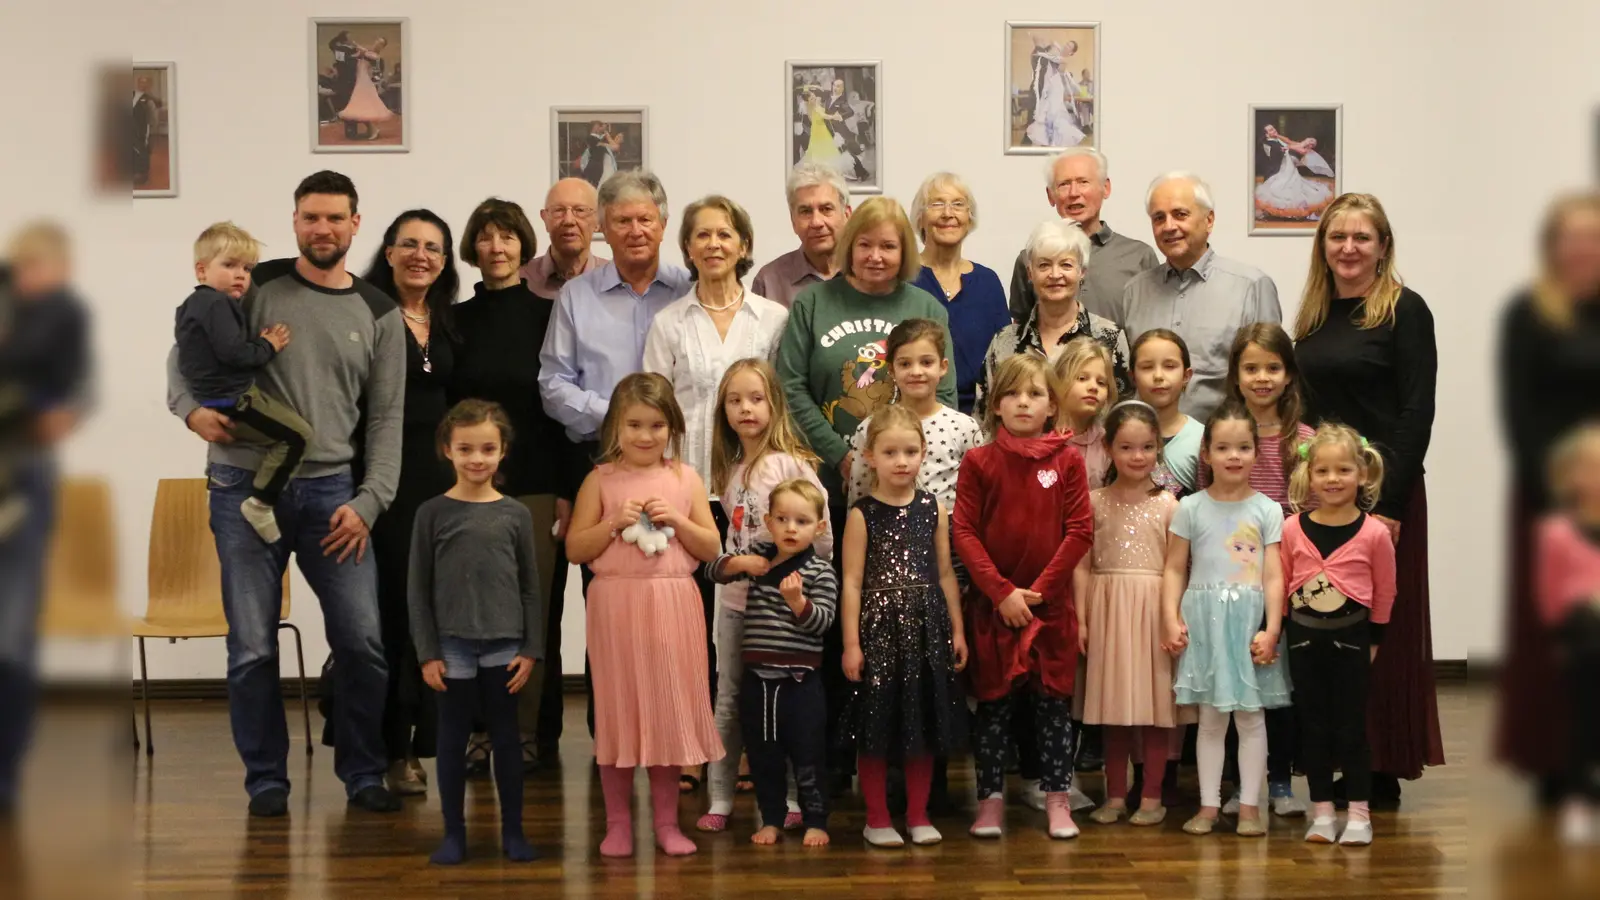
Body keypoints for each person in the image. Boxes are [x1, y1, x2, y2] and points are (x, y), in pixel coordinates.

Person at [166, 171, 405, 817]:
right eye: (309, 218)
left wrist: (370, 501)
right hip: (241, 486)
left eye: (334, 218)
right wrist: (190, 411)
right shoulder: (252, 282)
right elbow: (185, 351)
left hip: (334, 496)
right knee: (252, 646)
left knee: (362, 642)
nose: (321, 229)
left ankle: (362, 771)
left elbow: (386, 418)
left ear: (357, 224)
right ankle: (266, 780)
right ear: (294, 221)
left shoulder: (379, 312)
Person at [775, 196, 955, 787]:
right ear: (849, 244)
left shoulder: (924, 304)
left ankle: (914, 767)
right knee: (843, 615)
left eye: (889, 245)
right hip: (833, 484)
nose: (876, 255)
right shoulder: (813, 302)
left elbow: (945, 391)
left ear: (905, 250)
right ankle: (840, 762)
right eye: (866, 244)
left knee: (909, 625)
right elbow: (790, 384)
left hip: (915, 491)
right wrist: (842, 450)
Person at [1293, 192, 1440, 806]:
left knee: (1383, 631)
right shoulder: (1315, 316)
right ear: (1322, 246)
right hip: (1325, 498)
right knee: (1329, 631)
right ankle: (1334, 761)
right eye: (1337, 237)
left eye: (1361, 238)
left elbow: (1416, 413)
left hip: (1383, 499)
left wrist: (1391, 506)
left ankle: (1381, 765)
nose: (1348, 248)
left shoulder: (1405, 311)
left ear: (1383, 247)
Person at [644, 194, 786, 791]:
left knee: (751, 625)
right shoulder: (668, 323)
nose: (714, 245)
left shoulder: (774, 318)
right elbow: (652, 406)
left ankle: (743, 745)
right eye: (701, 236)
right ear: (688, 249)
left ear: (744, 245)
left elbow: (781, 403)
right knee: (687, 627)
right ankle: (689, 743)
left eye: (725, 234)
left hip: (754, 491)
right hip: (689, 491)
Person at [565, 374, 723, 857]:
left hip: (674, 604)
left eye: (656, 425)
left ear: (671, 427)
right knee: (618, 714)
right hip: (616, 606)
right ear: (616, 425)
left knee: (666, 714)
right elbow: (575, 548)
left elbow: (712, 547)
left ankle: (666, 823)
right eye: (634, 424)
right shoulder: (600, 479)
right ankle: (617, 824)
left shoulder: (685, 478)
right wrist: (612, 523)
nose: (645, 435)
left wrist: (678, 520)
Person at [954, 354, 1092, 840]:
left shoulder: (1068, 459)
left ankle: (1057, 797)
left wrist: (1037, 594)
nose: (1023, 402)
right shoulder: (979, 461)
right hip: (995, 611)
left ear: (1052, 405)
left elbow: (1079, 531)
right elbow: (965, 532)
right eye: (1011, 394)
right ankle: (990, 800)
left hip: (1049, 609)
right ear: (995, 405)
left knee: (1052, 708)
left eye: (1034, 394)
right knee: (993, 710)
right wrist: (1002, 593)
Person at [449, 198, 564, 773]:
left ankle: (525, 733)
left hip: (538, 486)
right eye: (487, 238)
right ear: (473, 248)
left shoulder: (549, 316)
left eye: (508, 237)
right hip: (470, 491)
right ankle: (481, 731)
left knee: (533, 612)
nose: (497, 248)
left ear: (525, 247)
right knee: (476, 615)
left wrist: (568, 487)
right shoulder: (454, 321)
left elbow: (558, 412)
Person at [696, 358, 831, 834]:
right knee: (731, 698)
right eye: (734, 400)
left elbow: (822, 535)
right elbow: (731, 547)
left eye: (755, 398)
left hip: (786, 614)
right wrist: (738, 566)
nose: (745, 409)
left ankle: (792, 798)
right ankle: (720, 795)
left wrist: (786, 575)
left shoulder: (791, 463)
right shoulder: (732, 468)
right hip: (736, 608)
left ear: (774, 403)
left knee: (789, 707)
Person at [1495, 191, 1600, 801]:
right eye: (1572, 238)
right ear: (1553, 248)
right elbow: (1520, 411)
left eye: (1593, 238)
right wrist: (1564, 489)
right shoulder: (1529, 315)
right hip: (1548, 498)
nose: (1582, 249)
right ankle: (1554, 764)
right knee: (1553, 636)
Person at [408, 400, 541, 865]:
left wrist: (531, 649)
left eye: (487, 448)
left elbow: (530, 587)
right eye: (466, 449)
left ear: (503, 451)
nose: (477, 459)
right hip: (451, 646)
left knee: (506, 738)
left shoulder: (517, 515)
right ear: (448, 450)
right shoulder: (431, 514)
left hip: (504, 645)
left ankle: (514, 832)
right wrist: (427, 652)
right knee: (451, 738)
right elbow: (417, 591)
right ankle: (453, 834)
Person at [1196, 324, 1314, 819]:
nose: (1261, 378)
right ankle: (1230, 786)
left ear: (1288, 376)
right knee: (1228, 689)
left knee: (1275, 684)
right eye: (1251, 368)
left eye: (1272, 367)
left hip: (1285, 575)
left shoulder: (1303, 439)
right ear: (1236, 377)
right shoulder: (1224, 433)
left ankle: (1281, 780)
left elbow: (1309, 509)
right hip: (1232, 581)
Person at [1160, 401, 1291, 837]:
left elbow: (1273, 574)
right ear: (1206, 454)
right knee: (1212, 717)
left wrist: (1272, 628)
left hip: (1249, 623)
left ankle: (1251, 806)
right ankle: (1209, 805)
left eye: (1243, 447)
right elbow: (1175, 568)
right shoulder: (1191, 508)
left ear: (1256, 452)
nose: (1233, 456)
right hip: (1205, 624)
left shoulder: (1268, 510)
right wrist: (1169, 618)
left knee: (1251, 717)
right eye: (1223, 447)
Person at [361, 209, 459, 792]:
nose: (421, 255)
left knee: (436, 616)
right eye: (410, 245)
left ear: (445, 262)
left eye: (433, 247)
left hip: (442, 487)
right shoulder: (365, 311)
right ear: (390, 252)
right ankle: (390, 749)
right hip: (385, 483)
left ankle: (429, 742)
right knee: (392, 616)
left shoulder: (446, 320)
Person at [840, 405, 967, 847]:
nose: (901, 460)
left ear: (924, 453)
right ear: (870, 456)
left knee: (923, 724)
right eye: (890, 451)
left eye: (910, 451)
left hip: (927, 626)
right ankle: (877, 817)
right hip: (879, 631)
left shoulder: (934, 509)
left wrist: (957, 629)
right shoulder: (862, 514)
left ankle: (917, 813)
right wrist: (851, 644)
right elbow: (852, 583)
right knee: (876, 727)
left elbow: (946, 573)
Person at [0, 223, 89, 817]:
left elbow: (61, 405)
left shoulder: (60, 315)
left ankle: (4, 777)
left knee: (10, 642)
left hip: (20, 482)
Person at [539, 169, 692, 511]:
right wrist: (619, 419)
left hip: (679, 460)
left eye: (645, 219)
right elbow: (553, 384)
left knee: (679, 565)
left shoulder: (689, 291)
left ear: (663, 226)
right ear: (603, 230)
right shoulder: (575, 296)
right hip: (599, 457)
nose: (635, 231)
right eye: (622, 221)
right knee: (607, 563)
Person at [1281, 423, 1395, 847]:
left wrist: (1375, 640)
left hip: (1353, 639)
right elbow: (1284, 584)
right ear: (1309, 476)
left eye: (1343, 470)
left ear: (1362, 474)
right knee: (1312, 727)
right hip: (1303, 640)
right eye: (1323, 471)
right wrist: (1277, 629)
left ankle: (1360, 815)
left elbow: (1386, 590)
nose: (1333, 479)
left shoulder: (1374, 533)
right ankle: (1322, 812)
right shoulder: (1293, 528)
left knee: (1350, 728)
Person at [709, 479, 838, 847]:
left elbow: (823, 622)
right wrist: (738, 561)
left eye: (801, 521)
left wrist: (799, 603)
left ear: (819, 526)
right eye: (782, 519)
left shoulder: (820, 571)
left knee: (808, 755)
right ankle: (772, 819)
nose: (791, 528)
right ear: (768, 521)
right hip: (758, 681)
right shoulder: (760, 560)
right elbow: (712, 571)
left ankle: (816, 820)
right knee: (764, 755)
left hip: (801, 682)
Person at [174, 222, 311, 546]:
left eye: (247, 269)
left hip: (217, 397)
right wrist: (268, 345)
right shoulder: (216, 304)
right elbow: (234, 353)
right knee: (297, 437)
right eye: (230, 265)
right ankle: (260, 503)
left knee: (284, 435)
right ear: (201, 270)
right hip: (233, 399)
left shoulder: (192, 306)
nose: (241, 275)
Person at [1076, 401, 1179, 827]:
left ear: (1159, 448)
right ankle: (1115, 796)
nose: (1138, 456)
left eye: (1148, 447)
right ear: (1109, 448)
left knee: (1156, 710)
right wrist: (1082, 619)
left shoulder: (1171, 504)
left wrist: (1171, 617)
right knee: (1112, 708)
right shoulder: (1092, 501)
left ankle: (1152, 796)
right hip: (1108, 610)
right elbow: (1081, 565)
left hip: (1153, 611)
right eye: (1127, 447)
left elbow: (1176, 567)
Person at [1119, 172, 1282, 421]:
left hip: (1226, 451)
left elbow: (1270, 384)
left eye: (1180, 214)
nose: (1169, 226)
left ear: (1209, 220)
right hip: (1148, 450)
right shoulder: (1134, 292)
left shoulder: (1251, 287)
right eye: (1158, 218)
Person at [984, 219, 1129, 420]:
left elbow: (1123, 417)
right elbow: (986, 416)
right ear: (1030, 274)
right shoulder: (1004, 343)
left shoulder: (1109, 338)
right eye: (1044, 265)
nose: (1055, 274)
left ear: (1082, 272)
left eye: (1066, 265)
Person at [1534, 424, 1600, 843]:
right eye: (1588, 468)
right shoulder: (1556, 532)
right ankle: (1579, 798)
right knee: (1585, 721)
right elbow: (1551, 598)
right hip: (1584, 643)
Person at [1008, 149, 1158, 323]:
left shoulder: (1139, 257)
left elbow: (1152, 331)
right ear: (1051, 195)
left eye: (1083, 182)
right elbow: (1020, 330)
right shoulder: (1030, 258)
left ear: (1106, 188)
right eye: (1064, 184)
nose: (1074, 193)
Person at [846, 319, 981, 510]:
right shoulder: (870, 428)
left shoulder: (964, 427)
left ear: (943, 367)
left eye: (926, 362)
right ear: (892, 369)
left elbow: (978, 493)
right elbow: (858, 498)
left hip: (949, 533)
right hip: (885, 532)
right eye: (905, 364)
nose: (916, 372)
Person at [908, 173, 1009, 414]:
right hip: (916, 416)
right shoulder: (903, 279)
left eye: (958, 204)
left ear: (969, 218)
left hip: (982, 418)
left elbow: (1004, 357)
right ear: (920, 218)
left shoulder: (988, 281)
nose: (947, 213)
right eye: (936, 204)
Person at [751, 163, 851, 309]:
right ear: (793, 221)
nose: (816, 222)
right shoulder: (769, 282)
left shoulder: (868, 272)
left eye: (826, 209)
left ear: (847, 215)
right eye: (805, 211)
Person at [1131, 329, 1203, 497]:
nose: (1158, 376)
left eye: (1169, 366)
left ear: (1186, 375)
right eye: (1147, 367)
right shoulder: (1119, 436)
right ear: (1133, 377)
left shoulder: (1202, 439)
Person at [520, 178, 607, 300]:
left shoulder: (615, 280)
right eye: (559, 210)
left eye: (580, 210)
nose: (569, 220)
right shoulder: (522, 279)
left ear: (597, 220)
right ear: (545, 219)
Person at [1052, 337, 1116, 489]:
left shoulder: (1109, 442)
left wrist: (1175, 493)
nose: (1093, 387)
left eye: (1101, 383)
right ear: (1057, 382)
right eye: (1082, 378)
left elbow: (1158, 477)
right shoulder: (1038, 436)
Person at [1255, 124, 1335, 222]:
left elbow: (1289, 142)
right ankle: (1286, 213)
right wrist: (1304, 143)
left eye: (1273, 128)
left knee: (1297, 188)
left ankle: (1296, 213)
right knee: (1284, 191)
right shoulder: (1270, 144)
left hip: (1289, 168)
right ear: (1267, 135)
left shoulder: (1278, 139)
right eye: (1271, 130)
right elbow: (1295, 149)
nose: (1274, 130)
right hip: (1282, 170)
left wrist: (1304, 143)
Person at [1024, 34, 1085, 148]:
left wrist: (1051, 47)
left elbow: (1050, 61)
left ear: (1071, 53)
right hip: (1048, 88)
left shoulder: (1063, 61)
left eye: (1069, 47)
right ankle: (1042, 142)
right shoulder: (1055, 51)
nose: (1066, 47)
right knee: (1043, 116)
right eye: (1067, 44)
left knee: (1054, 117)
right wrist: (1053, 45)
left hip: (1055, 90)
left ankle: (1051, 142)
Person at [336, 37, 393, 141]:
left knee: (365, 105)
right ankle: (372, 129)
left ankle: (374, 129)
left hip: (365, 82)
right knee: (364, 106)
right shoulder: (368, 52)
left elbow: (364, 52)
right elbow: (356, 55)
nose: (377, 44)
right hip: (360, 80)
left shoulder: (375, 56)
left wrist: (354, 43)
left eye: (380, 44)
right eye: (377, 41)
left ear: (382, 47)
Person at [823, 79, 871, 182]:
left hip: (840, 131)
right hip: (829, 130)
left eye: (839, 86)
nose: (836, 88)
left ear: (842, 89)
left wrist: (840, 116)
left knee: (847, 152)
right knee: (838, 152)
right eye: (835, 86)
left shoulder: (842, 101)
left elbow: (850, 112)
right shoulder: (827, 100)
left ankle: (862, 172)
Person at [131, 75, 161, 186]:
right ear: (137, 83)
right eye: (141, 82)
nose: (143, 85)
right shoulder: (130, 95)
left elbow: (153, 120)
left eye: (145, 82)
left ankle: (143, 177)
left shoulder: (149, 100)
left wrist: (150, 134)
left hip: (142, 131)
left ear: (149, 85)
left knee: (142, 152)